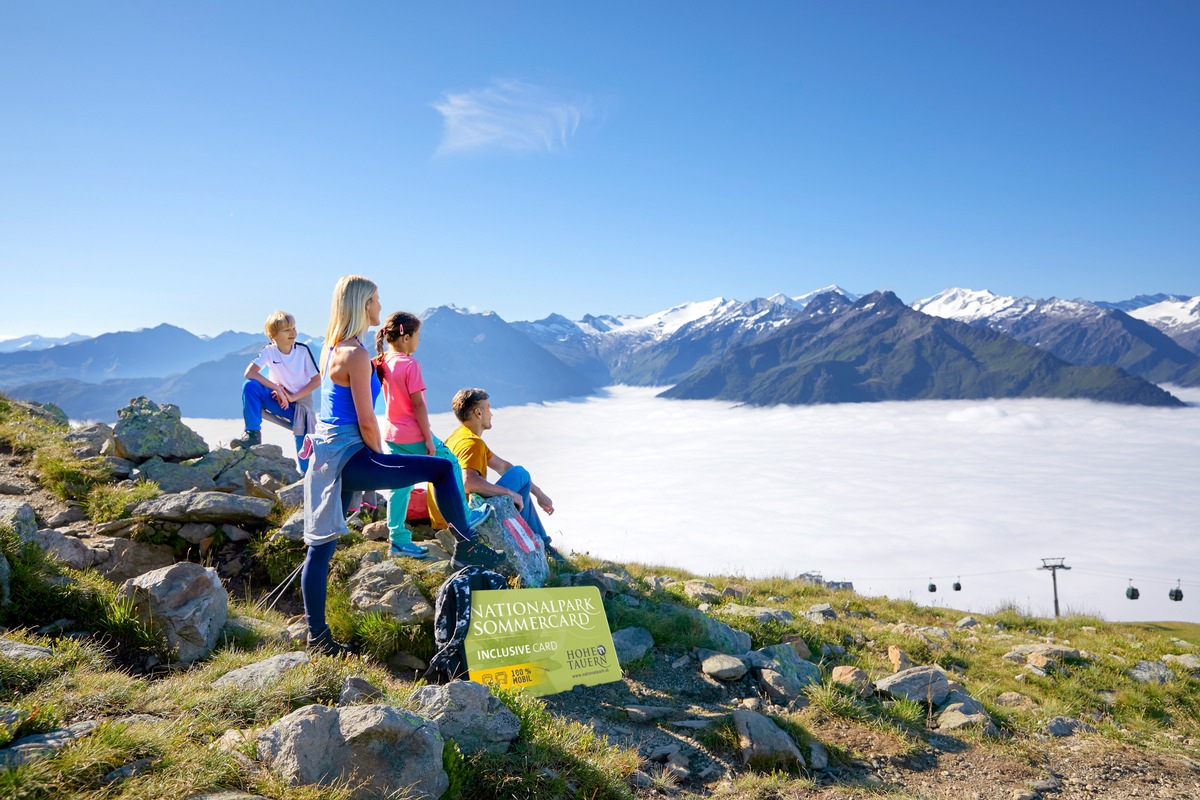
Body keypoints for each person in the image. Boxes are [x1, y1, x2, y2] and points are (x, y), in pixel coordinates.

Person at [300, 276, 501, 656]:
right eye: (375, 300)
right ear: (363, 305)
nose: (380, 306)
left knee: (320, 548)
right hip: (350, 454)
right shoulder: (356, 356)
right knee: (441, 469)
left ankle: (318, 638)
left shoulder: (332, 348)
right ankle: (470, 546)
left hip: (326, 457)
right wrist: (379, 462)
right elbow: (365, 420)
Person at [374, 311, 466, 559]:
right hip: (413, 434)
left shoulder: (382, 361)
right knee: (450, 464)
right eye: (417, 336)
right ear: (405, 338)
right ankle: (463, 519)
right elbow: (419, 405)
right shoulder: (410, 364)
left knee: (400, 485)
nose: (418, 342)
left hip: (392, 434)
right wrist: (428, 438)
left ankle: (398, 539)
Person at [445, 387, 561, 558]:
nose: (491, 414)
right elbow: (468, 483)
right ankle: (543, 545)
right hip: (466, 518)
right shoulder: (471, 443)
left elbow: (504, 467)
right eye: (488, 408)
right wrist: (509, 493)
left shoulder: (458, 437)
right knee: (520, 475)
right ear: (478, 412)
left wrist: (538, 494)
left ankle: (540, 542)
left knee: (518, 475)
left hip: (448, 514)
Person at [231, 311, 320, 473]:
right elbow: (249, 373)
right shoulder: (269, 350)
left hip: (300, 406)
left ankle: (306, 477)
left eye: (294, 328)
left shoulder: (302, 351)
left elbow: (317, 380)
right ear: (273, 335)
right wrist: (277, 388)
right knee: (250, 386)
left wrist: (292, 397)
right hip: (278, 398)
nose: (293, 333)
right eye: (287, 330)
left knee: (304, 448)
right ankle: (252, 434)